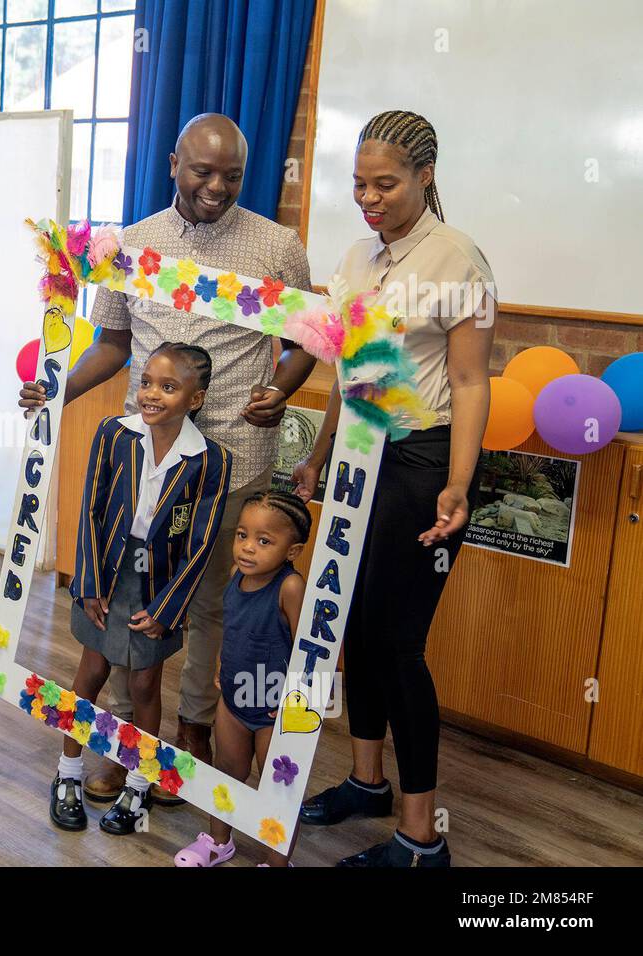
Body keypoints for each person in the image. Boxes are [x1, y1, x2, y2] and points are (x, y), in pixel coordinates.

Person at [21, 113, 315, 805]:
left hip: (233, 461)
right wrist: (56, 392)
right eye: (203, 171)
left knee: (213, 603)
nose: (217, 187)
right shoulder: (130, 246)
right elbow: (113, 345)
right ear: (173, 165)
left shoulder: (278, 246)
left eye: (233, 175)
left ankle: (195, 732)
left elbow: (314, 342)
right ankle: (128, 742)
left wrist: (281, 386)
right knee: (135, 597)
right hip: (147, 463)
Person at [293, 110, 495, 868]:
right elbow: (355, 370)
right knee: (353, 628)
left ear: (425, 176)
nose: (369, 198)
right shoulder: (354, 256)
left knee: (399, 644)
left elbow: (472, 383)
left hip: (422, 461)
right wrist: (318, 454)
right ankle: (368, 782)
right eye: (359, 184)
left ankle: (420, 840)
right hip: (357, 455)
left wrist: (458, 484)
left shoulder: (458, 260)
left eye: (386, 184)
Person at [50, 343, 231, 835]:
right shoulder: (114, 434)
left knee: (147, 684)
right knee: (91, 671)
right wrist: (87, 583)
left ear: (195, 399)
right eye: (147, 381)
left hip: (157, 585)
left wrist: (168, 608)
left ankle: (138, 784)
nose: (151, 394)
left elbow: (201, 541)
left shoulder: (210, 459)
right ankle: (67, 773)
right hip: (106, 577)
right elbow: (90, 509)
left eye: (168, 387)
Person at [174, 491, 308, 868]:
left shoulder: (290, 588)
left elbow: (312, 653)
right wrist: (220, 664)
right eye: (242, 535)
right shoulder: (236, 576)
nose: (248, 548)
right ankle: (218, 843)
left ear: (292, 551)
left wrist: (296, 709)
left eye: (264, 541)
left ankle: (277, 862)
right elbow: (233, 629)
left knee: (279, 788)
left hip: (274, 710)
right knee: (227, 772)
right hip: (233, 699)